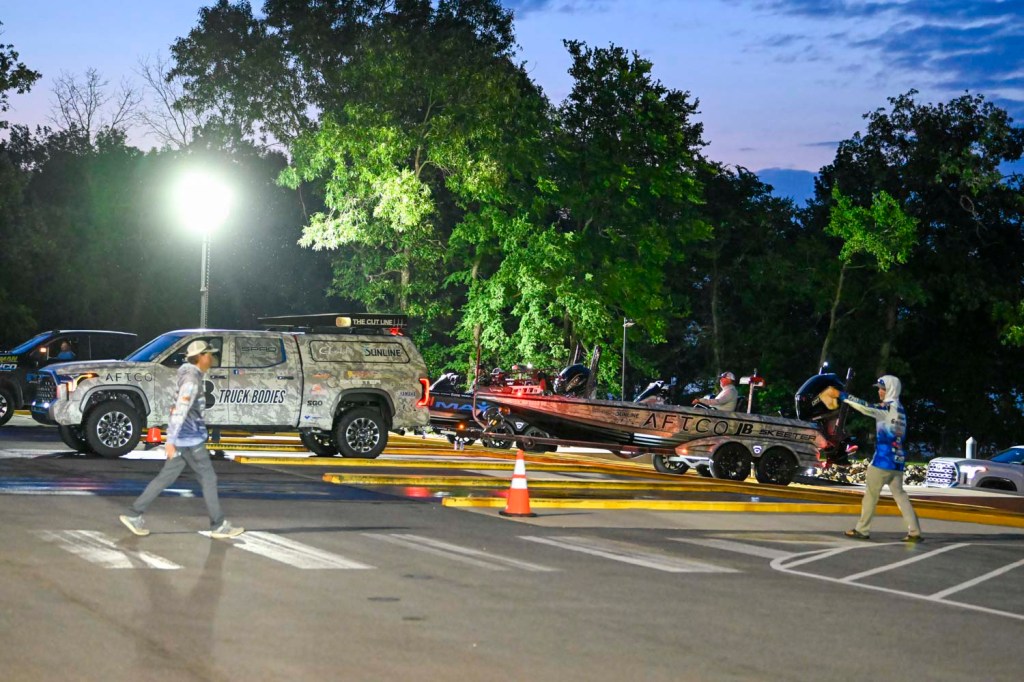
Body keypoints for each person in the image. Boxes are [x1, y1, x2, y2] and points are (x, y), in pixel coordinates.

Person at [119, 340, 243, 539]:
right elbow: (180, 409)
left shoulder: (190, 376)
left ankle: (134, 514)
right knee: (208, 478)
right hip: (190, 439)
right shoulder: (191, 381)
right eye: (209, 355)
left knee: (165, 478)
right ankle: (218, 525)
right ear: (200, 357)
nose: (212, 358)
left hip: (183, 440)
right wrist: (170, 440)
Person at [826, 375, 922, 543]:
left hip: (882, 461)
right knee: (901, 497)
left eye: (882, 389)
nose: (879, 392)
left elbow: (865, 407)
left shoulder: (887, 408)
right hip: (898, 461)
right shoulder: (901, 410)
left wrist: (841, 395)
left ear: (891, 390)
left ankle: (862, 530)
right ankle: (915, 531)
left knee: (870, 496)